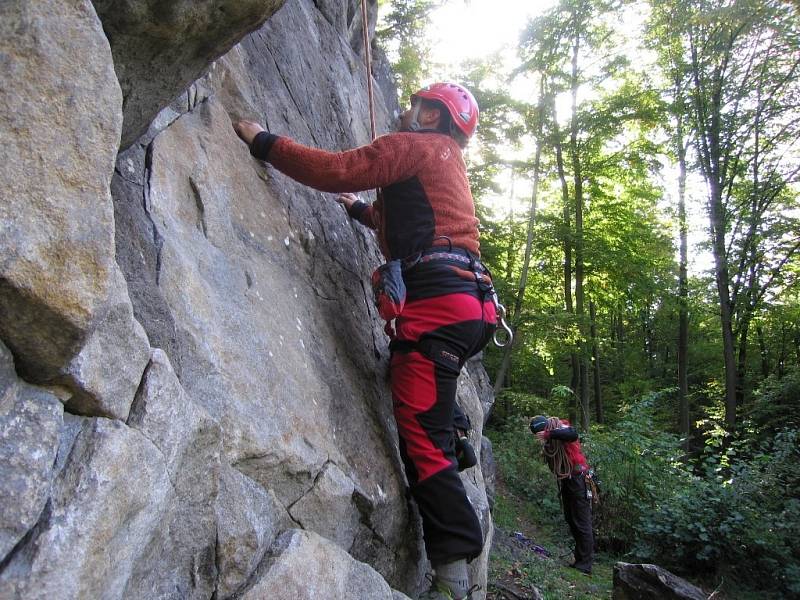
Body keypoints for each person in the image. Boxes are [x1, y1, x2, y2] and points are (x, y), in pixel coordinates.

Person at [233, 82, 497, 600]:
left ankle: (455, 573)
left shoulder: (415, 146)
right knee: (422, 393)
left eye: (424, 109)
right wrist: (361, 210)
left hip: (438, 306)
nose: (411, 112)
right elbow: (402, 220)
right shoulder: (444, 160)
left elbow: (337, 169)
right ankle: (457, 440)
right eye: (416, 105)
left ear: (440, 120)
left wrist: (263, 141)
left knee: (420, 439)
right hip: (466, 306)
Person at [529, 415, 594, 575]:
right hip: (569, 480)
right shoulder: (554, 436)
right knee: (571, 518)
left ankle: (586, 564)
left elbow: (573, 434)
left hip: (578, 479)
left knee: (581, 521)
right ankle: (580, 558)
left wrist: (548, 435)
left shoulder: (561, 428)